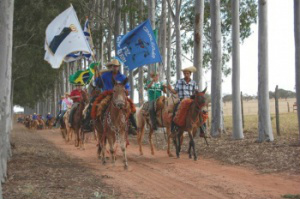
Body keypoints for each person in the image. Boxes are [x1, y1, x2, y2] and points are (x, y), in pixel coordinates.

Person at [94, 59, 137, 130]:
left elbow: (127, 88)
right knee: (97, 104)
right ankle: (94, 122)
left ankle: (132, 125)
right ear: (111, 67)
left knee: (130, 106)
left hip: (120, 95)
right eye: (114, 66)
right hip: (107, 95)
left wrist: (126, 91)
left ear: (118, 67)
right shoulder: (105, 75)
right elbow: (98, 84)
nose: (115, 67)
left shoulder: (122, 77)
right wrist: (96, 76)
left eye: (116, 66)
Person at [167, 66, 206, 137]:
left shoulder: (194, 82)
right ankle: (173, 130)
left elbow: (196, 92)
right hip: (182, 100)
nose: (186, 74)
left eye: (187, 73)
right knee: (175, 111)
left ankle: (203, 130)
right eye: (184, 73)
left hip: (191, 100)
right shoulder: (179, 81)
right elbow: (175, 91)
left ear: (190, 74)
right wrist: (170, 89)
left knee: (201, 111)